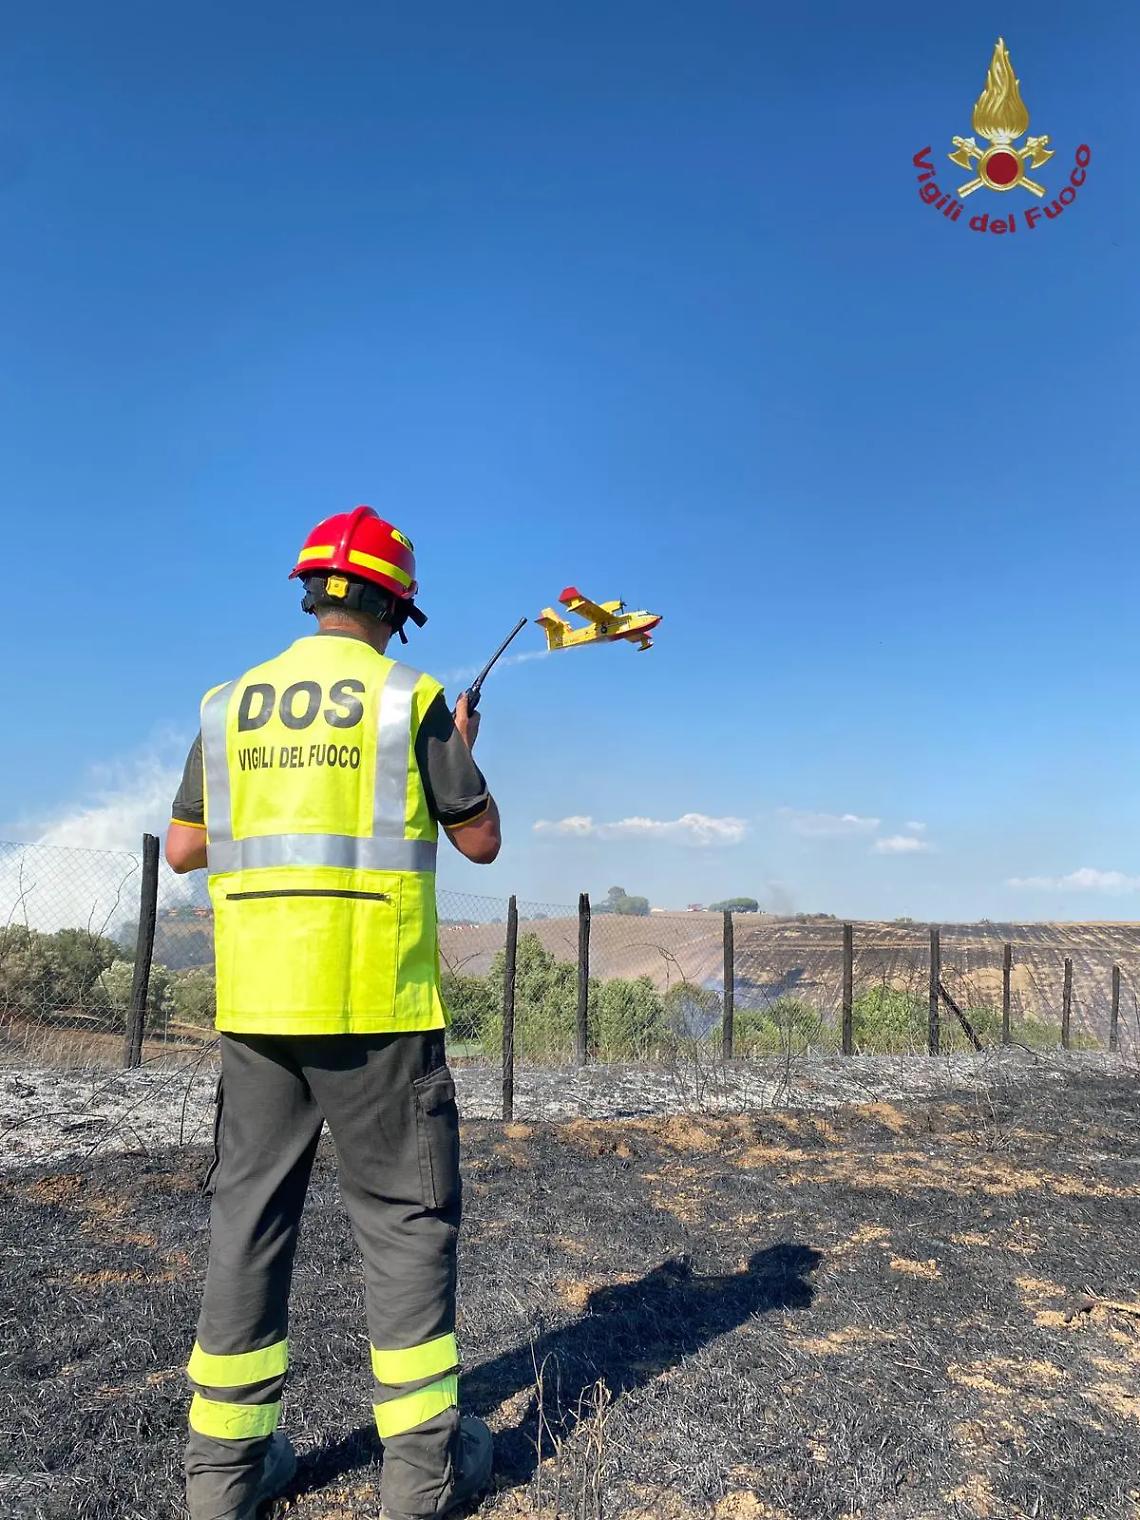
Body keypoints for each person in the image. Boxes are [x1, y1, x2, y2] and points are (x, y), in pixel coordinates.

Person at [165, 505, 501, 1520]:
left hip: (259, 1008)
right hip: (378, 1012)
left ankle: (223, 1481)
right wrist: (463, 750)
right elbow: (478, 838)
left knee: (247, 1222)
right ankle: (419, 1481)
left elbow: (183, 850)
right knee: (404, 1226)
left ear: (312, 593)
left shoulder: (230, 703)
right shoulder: (415, 700)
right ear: (399, 607)